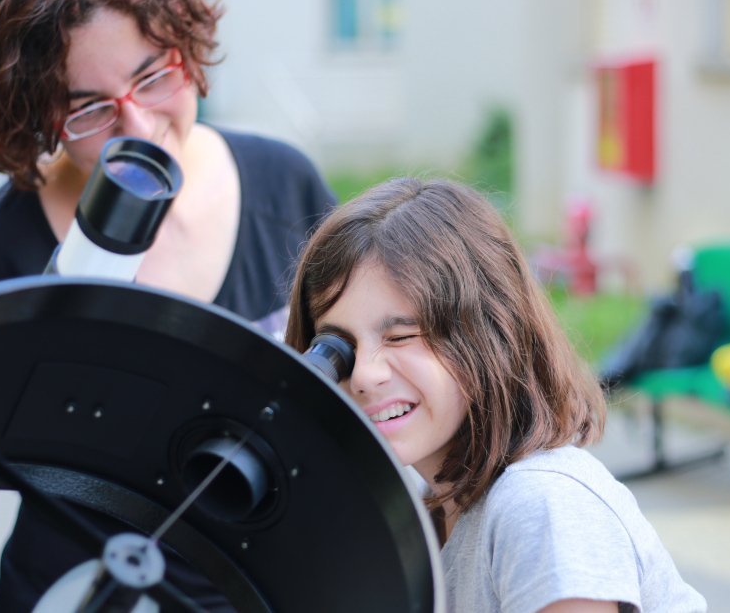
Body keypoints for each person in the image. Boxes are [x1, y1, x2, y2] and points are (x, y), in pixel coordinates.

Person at [0, 0, 335, 611]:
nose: (138, 128)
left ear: (186, 50)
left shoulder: (286, 187)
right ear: (33, 112)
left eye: (154, 77)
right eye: (90, 110)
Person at [285, 178, 706, 613]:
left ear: (489, 336)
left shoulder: (542, 504)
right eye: (338, 347)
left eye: (402, 336)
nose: (364, 376)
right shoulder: (434, 511)